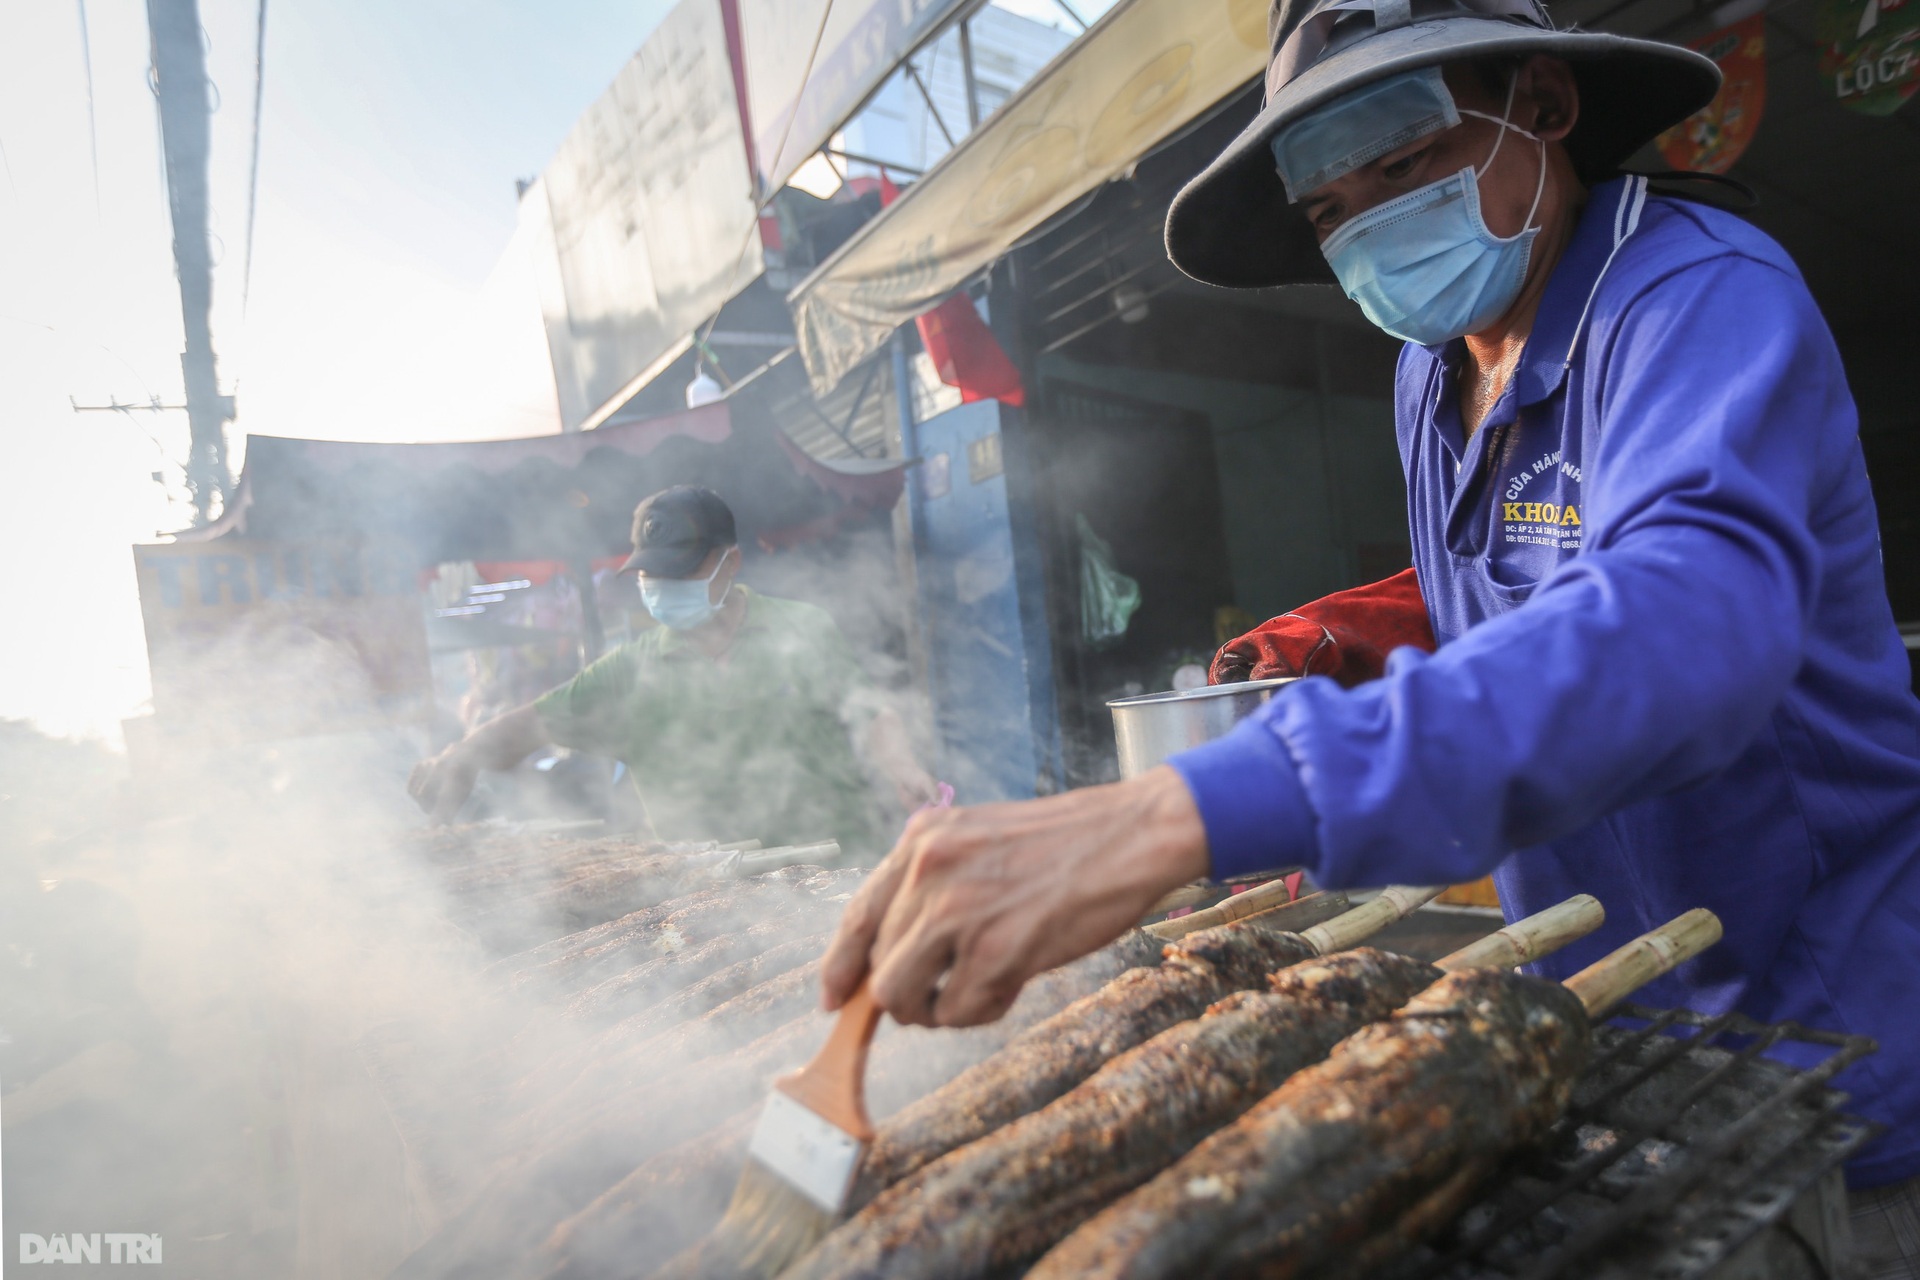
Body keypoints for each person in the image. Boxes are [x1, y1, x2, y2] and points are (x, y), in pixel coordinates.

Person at [818, 0, 1920, 1262]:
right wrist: (1350, 633)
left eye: (1402, 165)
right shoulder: (1432, 365)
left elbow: (1681, 614)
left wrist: (1185, 805)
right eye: (1333, 206)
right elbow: (1527, 564)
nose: (1375, 222)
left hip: (1823, 1038)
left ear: (1546, 107)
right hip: (1601, 1017)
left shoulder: (1695, 300)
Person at [410, 486, 936, 855]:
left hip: (843, 874)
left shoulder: (804, 628)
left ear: (730, 564)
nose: (662, 587)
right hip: (716, 912)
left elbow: (871, 713)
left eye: (682, 572)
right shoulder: (628, 671)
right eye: (651, 574)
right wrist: (463, 756)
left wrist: (904, 768)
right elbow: (534, 724)